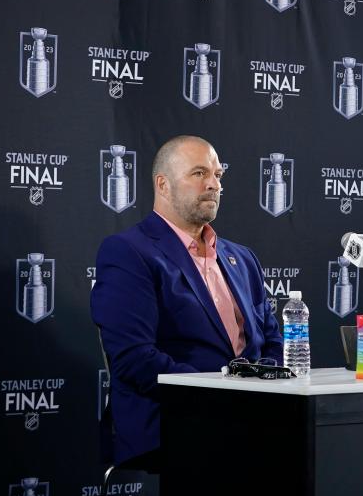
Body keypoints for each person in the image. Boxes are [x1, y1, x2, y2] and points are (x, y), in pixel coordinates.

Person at [91, 135, 283, 464]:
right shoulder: (129, 252)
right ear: (163, 185)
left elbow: (272, 340)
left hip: (250, 417)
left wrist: (261, 386)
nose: (213, 184)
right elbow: (135, 359)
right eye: (199, 174)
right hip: (174, 421)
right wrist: (219, 394)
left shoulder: (243, 258)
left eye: (218, 175)